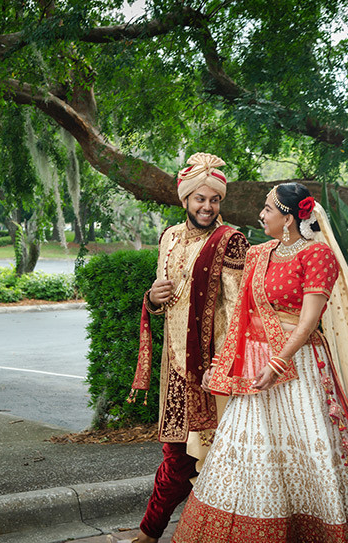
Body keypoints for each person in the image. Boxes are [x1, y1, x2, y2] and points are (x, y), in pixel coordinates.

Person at [172, 182, 348, 543]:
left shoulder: (317, 256)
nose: (261, 214)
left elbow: (309, 322)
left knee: (309, 447)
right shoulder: (259, 253)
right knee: (245, 449)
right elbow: (240, 317)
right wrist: (222, 364)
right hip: (256, 364)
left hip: (300, 368)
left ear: (287, 218)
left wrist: (279, 362)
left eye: (268, 208)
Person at [128, 152, 250, 543]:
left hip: (210, 369)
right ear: (185, 200)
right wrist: (152, 298)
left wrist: (225, 365)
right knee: (177, 453)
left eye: (214, 199)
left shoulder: (230, 241)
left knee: (200, 458)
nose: (207, 206)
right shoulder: (168, 238)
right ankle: (159, 530)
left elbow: (236, 310)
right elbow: (164, 298)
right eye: (200, 198)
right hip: (174, 364)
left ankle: (153, 532)